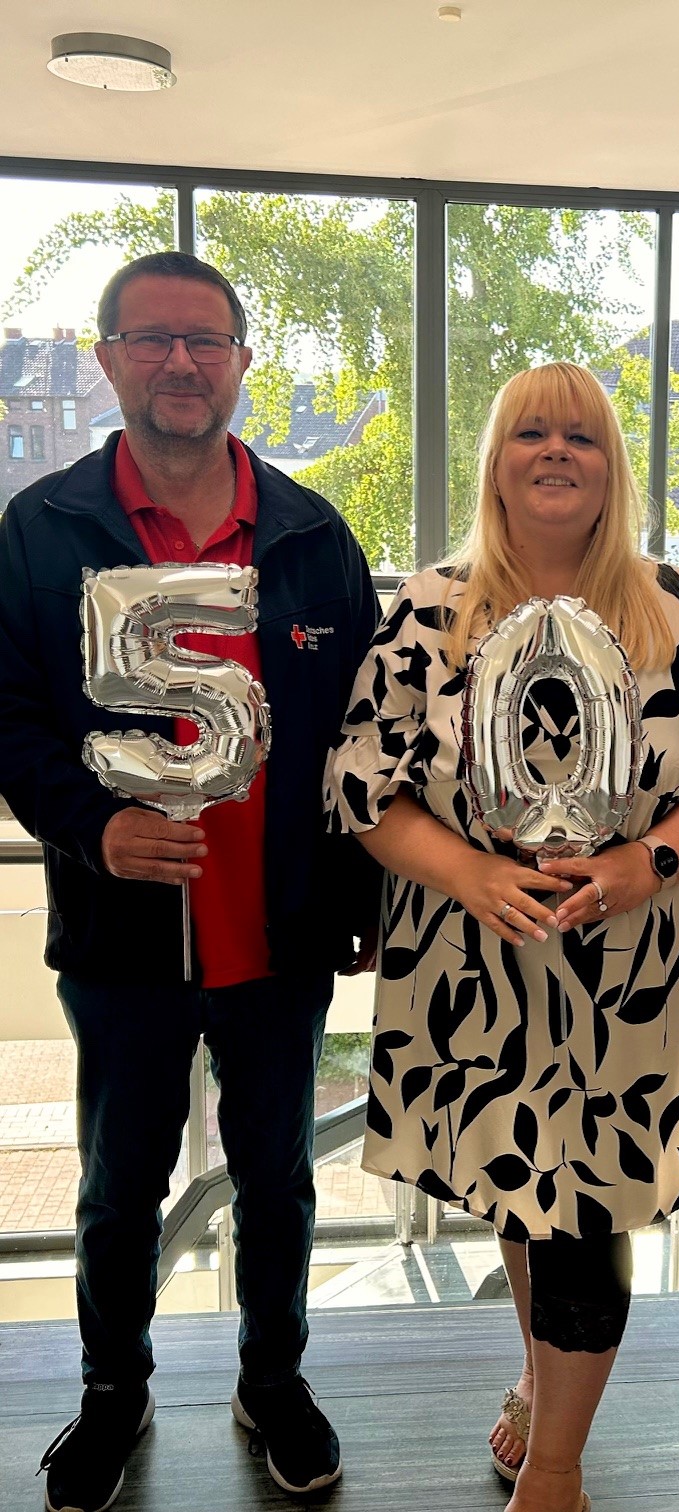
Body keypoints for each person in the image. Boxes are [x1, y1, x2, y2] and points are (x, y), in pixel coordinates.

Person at [326, 360, 679, 1512]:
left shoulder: (677, 604)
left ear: (610, 462)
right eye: (531, 433)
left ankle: (557, 1477)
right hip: (475, 972)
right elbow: (363, 784)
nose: (557, 452)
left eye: (580, 434)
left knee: (583, 1218)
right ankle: (540, 1379)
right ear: (497, 459)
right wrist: (471, 871)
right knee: (519, 1196)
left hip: (632, 982)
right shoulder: (428, 609)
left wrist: (644, 861)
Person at [0, 252, 381, 1511]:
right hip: (121, 939)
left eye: (204, 341)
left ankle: (272, 1379)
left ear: (241, 363)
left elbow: (359, 739)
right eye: (152, 340)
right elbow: (6, 717)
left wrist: (361, 902)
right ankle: (115, 1391)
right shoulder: (42, 529)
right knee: (118, 1188)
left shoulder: (316, 536)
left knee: (278, 1181)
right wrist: (92, 827)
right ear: (107, 357)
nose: (179, 363)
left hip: (277, 937)